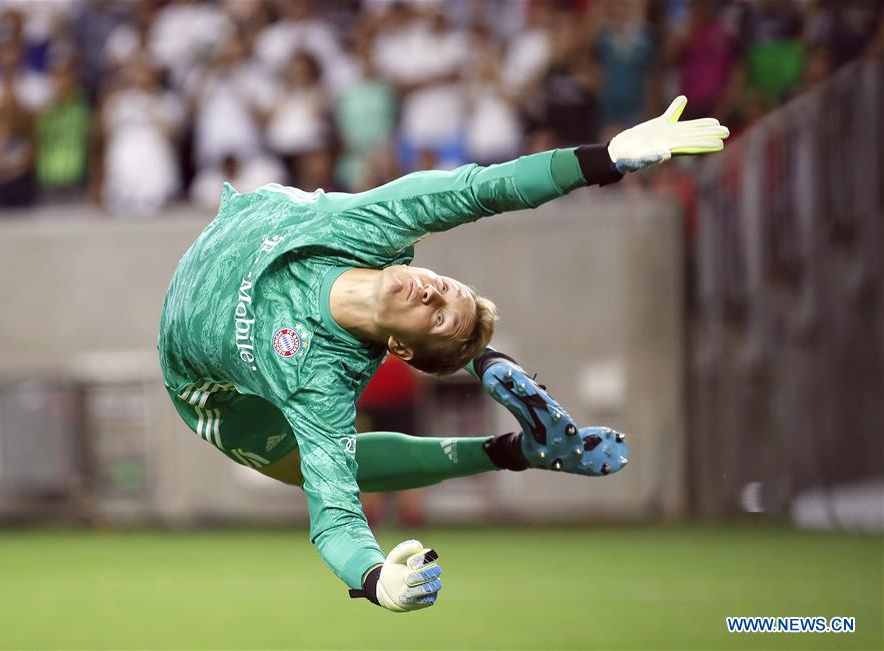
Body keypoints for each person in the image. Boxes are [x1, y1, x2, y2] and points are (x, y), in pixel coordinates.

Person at [157, 96, 728, 612]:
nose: (433, 292)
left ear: (400, 347)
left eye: (438, 318)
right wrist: (606, 159)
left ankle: (509, 449)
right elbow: (485, 188)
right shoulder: (375, 228)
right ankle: (503, 409)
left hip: (201, 383)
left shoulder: (318, 380)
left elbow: (336, 518)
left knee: (295, 467)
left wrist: (375, 578)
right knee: (309, 461)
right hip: (246, 217)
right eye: (447, 288)